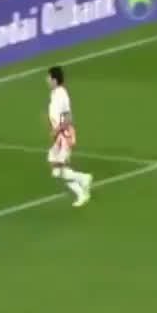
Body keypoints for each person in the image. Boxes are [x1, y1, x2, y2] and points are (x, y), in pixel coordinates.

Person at [46, 66, 93, 207]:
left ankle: (83, 182)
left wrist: (57, 130)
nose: (47, 80)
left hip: (64, 136)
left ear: (55, 80)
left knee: (59, 170)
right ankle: (82, 187)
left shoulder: (61, 95)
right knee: (56, 170)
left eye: (49, 77)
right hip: (59, 136)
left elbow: (68, 117)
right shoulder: (54, 94)